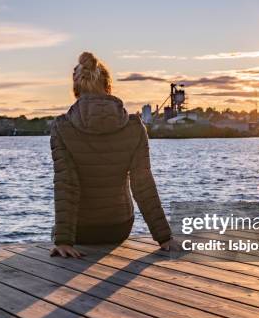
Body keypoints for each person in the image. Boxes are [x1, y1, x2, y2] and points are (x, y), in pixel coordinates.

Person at [50, 52, 172, 258]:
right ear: (108, 86)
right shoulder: (134, 126)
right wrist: (165, 238)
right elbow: (143, 185)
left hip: (81, 232)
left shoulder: (62, 127)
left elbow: (66, 184)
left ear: (76, 89)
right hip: (119, 228)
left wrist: (63, 240)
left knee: (54, 231)